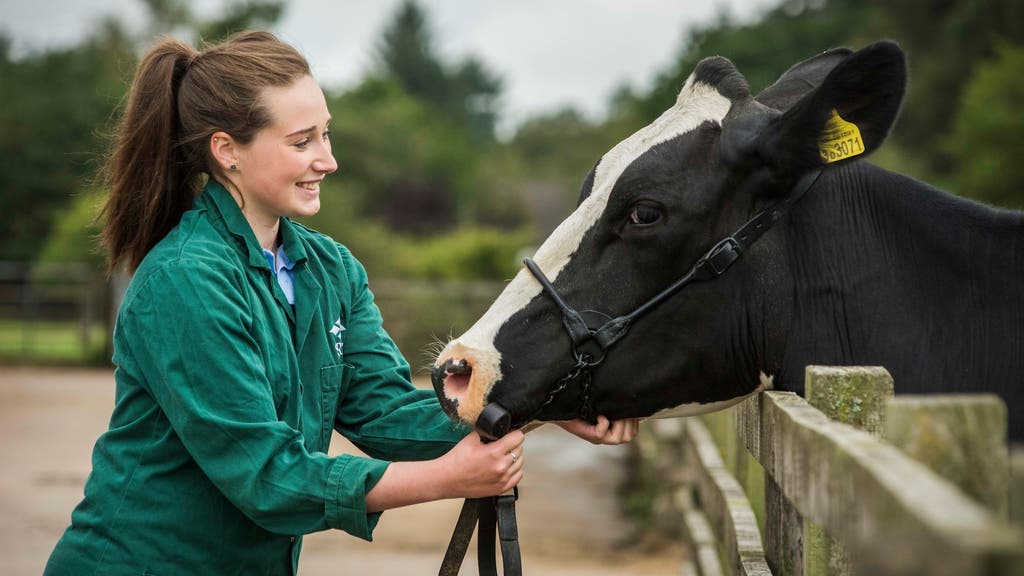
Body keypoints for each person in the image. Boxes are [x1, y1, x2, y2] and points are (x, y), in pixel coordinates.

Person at [44, 30, 638, 575]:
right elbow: (267, 477)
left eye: (325, 133)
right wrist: (444, 478)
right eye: (302, 141)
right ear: (227, 150)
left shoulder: (331, 269)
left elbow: (383, 411)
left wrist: (543, 405)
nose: (328, 159)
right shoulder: (185, 281)